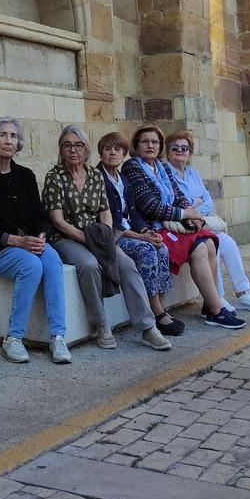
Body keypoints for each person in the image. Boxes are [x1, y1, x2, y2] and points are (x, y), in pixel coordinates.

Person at [41, 125, 173, 351]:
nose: (73, 150)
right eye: (67, 145)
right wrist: (88, 240)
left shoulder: (94, 175)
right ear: (61, 150)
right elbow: (58, 221)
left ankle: (148, 327)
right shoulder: (54, 177)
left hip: (98, 235)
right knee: (90, 265)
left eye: (78, 145)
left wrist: (105, 235)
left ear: (86, 149)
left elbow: (105, 212)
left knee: (127, 264)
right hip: (66, 237)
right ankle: (102, 325)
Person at [120, 125, 247, 330]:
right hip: (153, 227)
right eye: (145, 141)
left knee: (209, 243)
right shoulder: (132, 167)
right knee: (197, 249)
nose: (150, 145)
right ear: (136, 145)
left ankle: (209, 305)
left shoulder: (161, 167)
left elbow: (178, 195)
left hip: (173, 224)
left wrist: (193, 214)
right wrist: (184, 214)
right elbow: (148, 205)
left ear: (160, 146)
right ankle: (216, 311)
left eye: (155, 142)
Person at [0, 117, 71, 365]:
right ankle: (13, 338)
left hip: (29, 242)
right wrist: (18, 241)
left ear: (19, 143)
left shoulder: (26, 176)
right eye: (3, 135)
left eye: (13, 136)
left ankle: (58, 336)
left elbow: (39, 215)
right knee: (31, 265)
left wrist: (39, 237)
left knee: (52, 260)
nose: (8, 140)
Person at [164, 130, 250, 313]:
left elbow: (208, 200)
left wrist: (195, 208)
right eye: (175, 148)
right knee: (214, 246)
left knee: (229, 244)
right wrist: (195, 204)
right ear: (168, 151)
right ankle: (217, 297)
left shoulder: (192, 172)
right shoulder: (165, 174)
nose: (180, 151)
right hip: (183, 228)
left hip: (200, 223)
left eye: (184, 148)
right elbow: (175, 202)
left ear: (190, 151)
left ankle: (243, 293)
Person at [96, 131, 184, 337]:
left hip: (132, 232)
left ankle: (161, 310)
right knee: (146, 251)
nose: (112, 153)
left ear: (124, 153)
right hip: (115, 237)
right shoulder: (98, 178)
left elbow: (133, 212)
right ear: (100, 154)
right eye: (107, 149)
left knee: (160, 247)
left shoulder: (123, 179)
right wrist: (141, 237)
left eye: (117, 149)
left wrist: (146, 230)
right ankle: (156, 312)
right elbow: (113, 222)